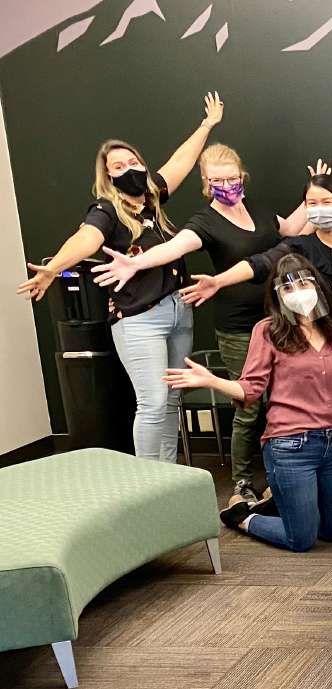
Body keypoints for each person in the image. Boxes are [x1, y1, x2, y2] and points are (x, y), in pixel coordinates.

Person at [90, 143, 317, 504]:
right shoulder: (205, 221)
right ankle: (241, 482)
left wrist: (314, 195)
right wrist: (136, 263)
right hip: (238, 326)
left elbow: (289, 229)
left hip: (277, 319)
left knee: (283, 402)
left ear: (242, 177)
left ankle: (279, 476)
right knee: (249, 405)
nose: (227, 184)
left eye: (232, 178)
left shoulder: (257, 208)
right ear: (206, 184)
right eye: (218, 180)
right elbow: (176, 247)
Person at [18, 92, 224, 463]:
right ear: (108, 176)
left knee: (172, 398)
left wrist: (207, 125)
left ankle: (169, 476)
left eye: (132, 161)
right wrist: (54, 267)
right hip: (139, 320)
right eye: (117, 166)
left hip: (179, 311)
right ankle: (147, 480)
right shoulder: (106, 209)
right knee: (153, 401)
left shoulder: (153, 199)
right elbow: (86, 238)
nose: (127, 168)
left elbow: (181, 161)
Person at [179, 174, 332, 510]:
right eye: (312, 204)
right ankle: (285, 483)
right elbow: (260, 264)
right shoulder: (300, 247)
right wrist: (218, 281)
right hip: (307, 340)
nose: (319, 209)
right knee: (301, 408)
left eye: (327, 202)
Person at [166, 254, 332, 552]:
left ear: (318, 286)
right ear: (277, 296)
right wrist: (211, 381)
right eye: (287, 287)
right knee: (302, 539)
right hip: (291, 446)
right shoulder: (269, 331)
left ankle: (287, 502)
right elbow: (250, 388)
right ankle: (245, 516)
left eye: (304, 282)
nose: (298, 292)